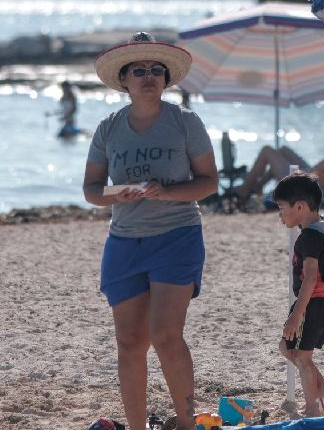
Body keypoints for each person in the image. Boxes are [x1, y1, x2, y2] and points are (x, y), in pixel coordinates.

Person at [82, 31, 219, 430]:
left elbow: (209, 182)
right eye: (138, 70)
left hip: (177, 236)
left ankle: (187, 423)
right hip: (124, 242)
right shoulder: (108, 128)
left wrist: (169, 192)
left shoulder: (186, 122)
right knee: (129, 342)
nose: (148, 76)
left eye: (155, 69)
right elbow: (91, 190)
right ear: (124, 79)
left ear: (165, 78)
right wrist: (115, 197)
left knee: (164, 334)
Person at [273, 171, 324, 416]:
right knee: (286, 346)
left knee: (302, 356)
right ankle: (322, 389)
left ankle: (313, 407)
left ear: (299, 206)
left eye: (282, 208)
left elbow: (311, 277)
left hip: (312, 302)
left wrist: (296, 314)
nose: (280, 215)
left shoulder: (308, 238)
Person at [233, 140, 324, 203]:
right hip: (309, 176)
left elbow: (314, 175)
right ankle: (258, 186)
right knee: (283, 150)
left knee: (267, 150)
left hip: (302, 183)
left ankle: (246, 188)